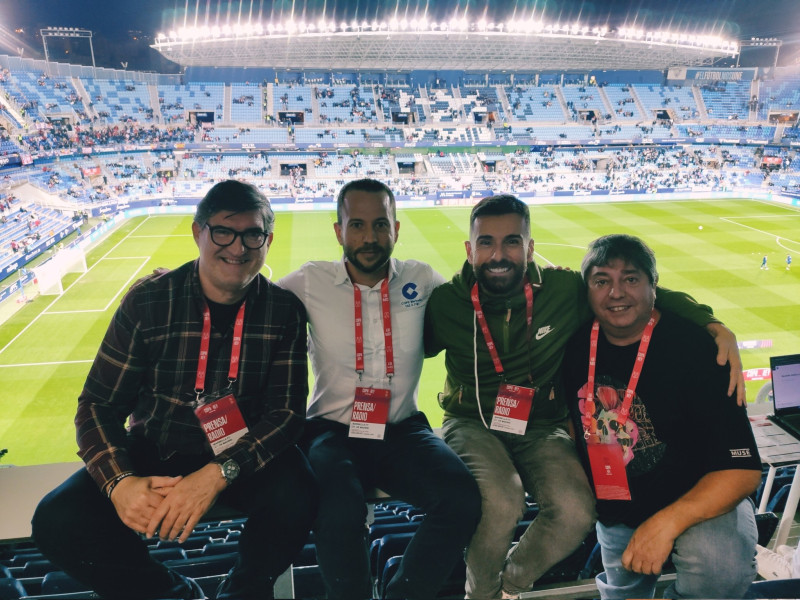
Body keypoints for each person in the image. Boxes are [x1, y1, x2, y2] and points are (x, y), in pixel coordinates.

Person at [424, 194, 745, 599]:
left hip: (541, 425)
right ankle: (481, 595)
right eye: (486, 242)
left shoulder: (563, 289)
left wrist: (709, 321)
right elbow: (405, 344)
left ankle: (510, 585)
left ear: (530, 246)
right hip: (472, 423)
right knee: (502, 501)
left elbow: (635, 292)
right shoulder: (445, 302)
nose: (498, 254)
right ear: (470, 249)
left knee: (576, 511)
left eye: (512, 242)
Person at [32, 180, 318, 600]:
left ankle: (241, 590)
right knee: (57, 520)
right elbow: (97, 405)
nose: (238, 248)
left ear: (268, 240)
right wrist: (121, 483)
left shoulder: (283, 311)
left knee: (300, 491)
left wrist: (219, 473)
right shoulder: (148, 302)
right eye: (223, 231)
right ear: (198, 232)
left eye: (252, 234)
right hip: (155, 448)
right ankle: (170, 594)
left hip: (237, 455)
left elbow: (287, 415)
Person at [279, 178, 481, 600]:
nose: (369, 238)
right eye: (357, 226)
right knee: (337, 512)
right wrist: (183, 277)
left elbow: (475, 303)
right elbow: (242, 296)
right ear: (338, 231)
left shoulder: (421, 278)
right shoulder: (310, 282)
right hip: (332, 432)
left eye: (380, 225)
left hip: (402, 431)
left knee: (461, 500)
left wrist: (542, 278)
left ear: (396, 228)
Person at [562, 233, 762, 598]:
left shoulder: (700, 349)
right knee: (622, 592)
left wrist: (665, 523)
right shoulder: (574, 343)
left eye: (631, 279)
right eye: (602, 281)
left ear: (655, 285)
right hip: (616, 502)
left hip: (697, 499)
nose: (616, 293)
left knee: (719, 567)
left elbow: (743, 471)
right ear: (587, 290)